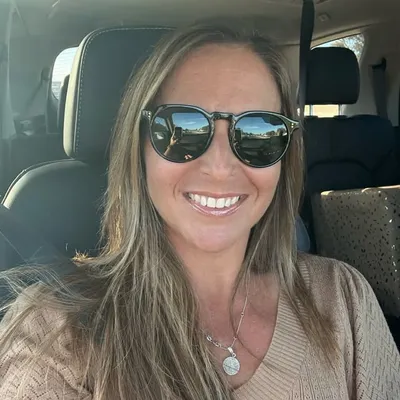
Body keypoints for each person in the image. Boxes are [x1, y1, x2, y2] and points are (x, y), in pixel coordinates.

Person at [0, 23, 399, 400]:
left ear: (284, 156)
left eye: (258, 134)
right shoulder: (55, 334)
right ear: (139, 147)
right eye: (182, 129)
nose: (220, 167)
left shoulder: (344, 300)